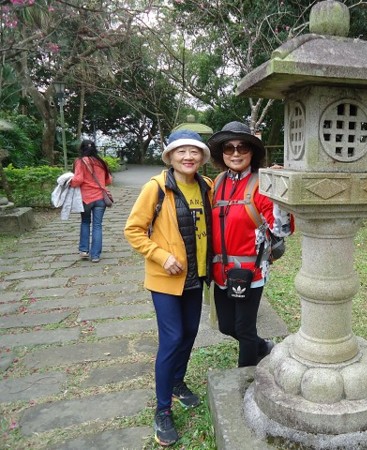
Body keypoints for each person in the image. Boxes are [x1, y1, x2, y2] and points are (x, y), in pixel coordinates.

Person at [123, 129, 213, 447]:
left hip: (196, 276)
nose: (188, 157)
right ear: (170, 156)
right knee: (172, 338)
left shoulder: (207, 186)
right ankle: (162, 410)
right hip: (166, 277)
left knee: (189, 333)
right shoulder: (156, 187)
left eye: (194, 151)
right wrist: (161, 256)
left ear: (202, 157)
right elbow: (133, 229)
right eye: (181, 151)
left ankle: (177, 383)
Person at [207, 121, 294, 368]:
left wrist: (278, 188)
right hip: (220, 270)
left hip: (250, 270)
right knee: (226, 326)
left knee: (244, 329)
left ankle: (245, 378)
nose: (235, 153)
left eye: (242, 147)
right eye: (229, 148)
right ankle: (263, 347)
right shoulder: (218, 182)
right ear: (222, 154)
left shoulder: (261, 184)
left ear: (252, 152)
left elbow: (282, 230)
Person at [70, 140, 112, 263]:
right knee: (97, 225)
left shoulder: (80, 161)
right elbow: (108, 180)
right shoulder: (101, 162)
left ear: (82, 149)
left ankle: (84, 250)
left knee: (85, 222)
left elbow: (78, 180)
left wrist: (69, 182)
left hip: (86, 198)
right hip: (101, 198)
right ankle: (95, 256)